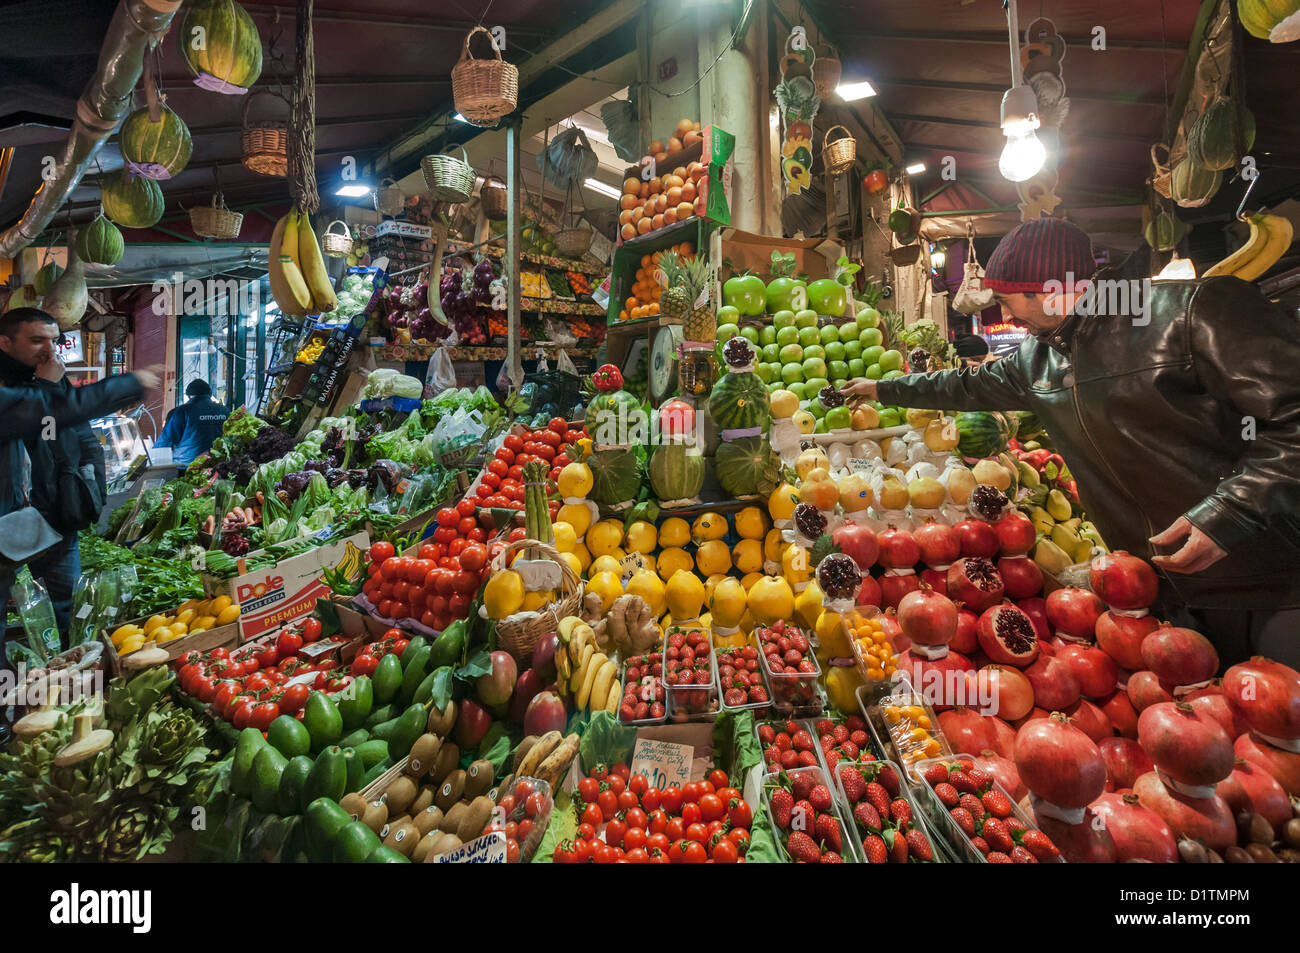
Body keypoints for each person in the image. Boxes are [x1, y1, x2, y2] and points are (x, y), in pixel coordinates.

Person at [841, 217, 1300, 667]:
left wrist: (1232, 511)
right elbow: (963, 386)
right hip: (1149, 584)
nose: (1002, 314)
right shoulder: (1036, 357)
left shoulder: (1192, 312)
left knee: (1284, 719)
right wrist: (882, 389)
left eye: (1007, 299)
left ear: (1054, 289)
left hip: (1261, 577)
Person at [0, 307, 160, 646]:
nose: (49, 350)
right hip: (7, 524)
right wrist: (130, 383)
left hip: (55, 517)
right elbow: (47, 411)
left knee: (68, 611)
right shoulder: (25, 389)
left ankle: (63, 682)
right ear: (4, 342)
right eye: (36, 340)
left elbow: (79, 433)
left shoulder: (51, 381)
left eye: (54, 340)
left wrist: (89, 485)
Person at [153, 378, 229, 466]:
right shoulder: (225, 411)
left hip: (187, 468)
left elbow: (164, 443)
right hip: (219, 466)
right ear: (210, 394)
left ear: (188, 396)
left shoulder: (181, 412)